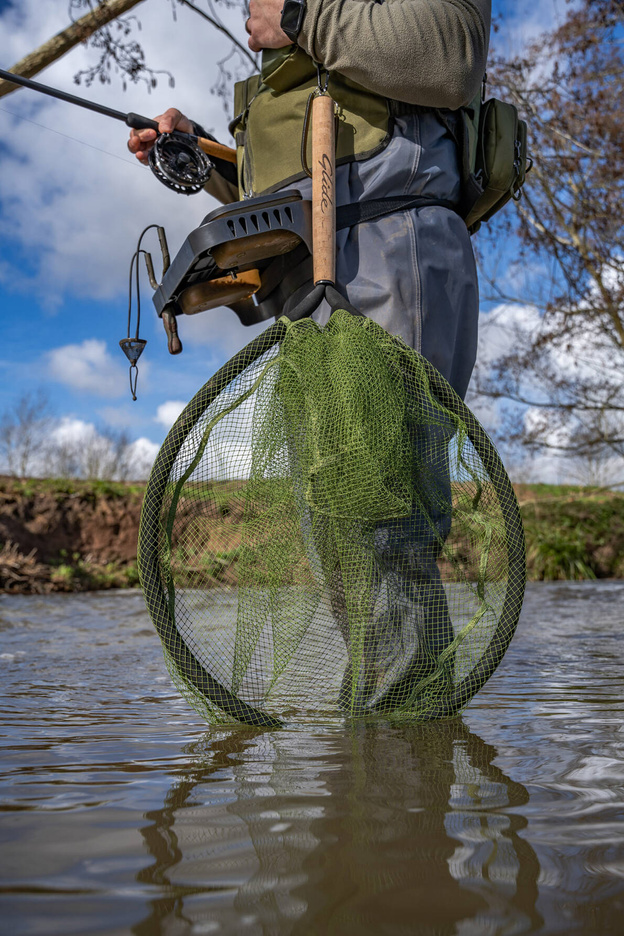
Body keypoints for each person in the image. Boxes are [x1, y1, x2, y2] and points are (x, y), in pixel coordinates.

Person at [128, 0, 491, 712]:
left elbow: (452, 56)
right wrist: (201, 157)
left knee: (381, 522)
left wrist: (300, 15)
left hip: (389, 247)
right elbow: (290, 187)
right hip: (306, 277)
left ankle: (405, 773)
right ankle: (395, 775)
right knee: (338, 532)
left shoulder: (318, 14)